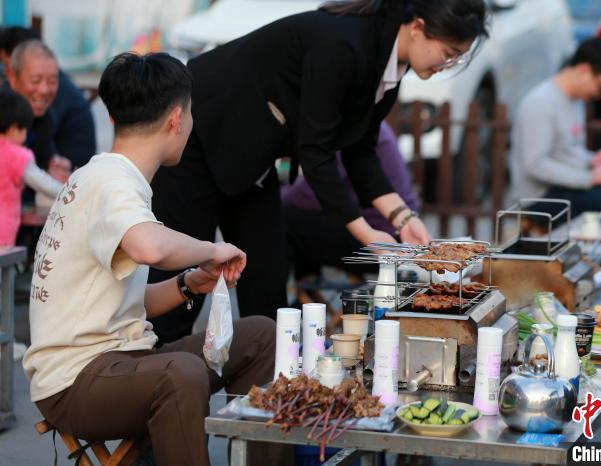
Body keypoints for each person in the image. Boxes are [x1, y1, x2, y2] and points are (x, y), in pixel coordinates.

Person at [149, 0, 490, 343]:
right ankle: (156, 368)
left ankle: (263, 374)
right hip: (199, 137)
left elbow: (360, 150)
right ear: (417, 27)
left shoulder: (389, 63)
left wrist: (402, 219)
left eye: (457, 59)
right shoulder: (346, 45)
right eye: (449, 53)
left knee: (267, 284)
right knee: (181, 286)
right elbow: (317, 154)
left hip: (252, 158)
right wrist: (366, 234)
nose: (447, 65)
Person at [22, 52, 277, 466]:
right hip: (74, 381)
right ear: (177, 119)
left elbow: (119, 302)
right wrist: (213, 249)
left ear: (113, 118)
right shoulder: (112, 183)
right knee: (181, 374)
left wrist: (187, 284)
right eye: (190, 114)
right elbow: (150, 248)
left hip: (125, 362)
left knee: (262, 336)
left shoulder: (108, 179)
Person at [283, 121, 420, 280]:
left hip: (383, 237)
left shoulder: (351, 129)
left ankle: (300, 287)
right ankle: (309, 287)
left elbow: (312, 193)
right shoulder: (374, 125)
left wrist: (278, 194)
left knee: (286, 217)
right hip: (396, 231)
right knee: (301, 217)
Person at [509, 38, 601, 218]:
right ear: (584, 71)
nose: (599, 95)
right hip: (538, 199)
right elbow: (535, 164)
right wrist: (588, 178)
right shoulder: (541, 103)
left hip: (562, 189)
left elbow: (567, 151)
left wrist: (592, 159)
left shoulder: (574, 100)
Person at [0, 27, 97, 168]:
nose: (44, 90)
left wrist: (56, 166)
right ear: (12, 77)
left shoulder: (46, 117)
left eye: (52, 81)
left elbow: (45, 161)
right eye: (36, 80)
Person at [0, 88, 63, 246]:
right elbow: (43, 183)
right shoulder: (17, 156)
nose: (25, 135)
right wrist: (67, 192)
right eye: (24, 130)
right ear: (14, 128)